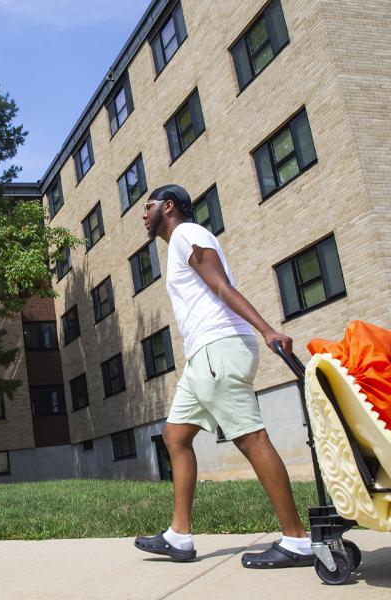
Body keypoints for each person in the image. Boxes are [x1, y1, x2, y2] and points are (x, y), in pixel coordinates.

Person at [133, 184, 314, 568]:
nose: (143, 214)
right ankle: (179, 536)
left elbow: (220, 286)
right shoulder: (181, 242)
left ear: (168, 207)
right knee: (175, 436)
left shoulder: (188, 234)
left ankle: (296, 539)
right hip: (204, 357)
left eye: (147, 206)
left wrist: (267, 330)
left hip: (220, 348)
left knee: (250, 438)